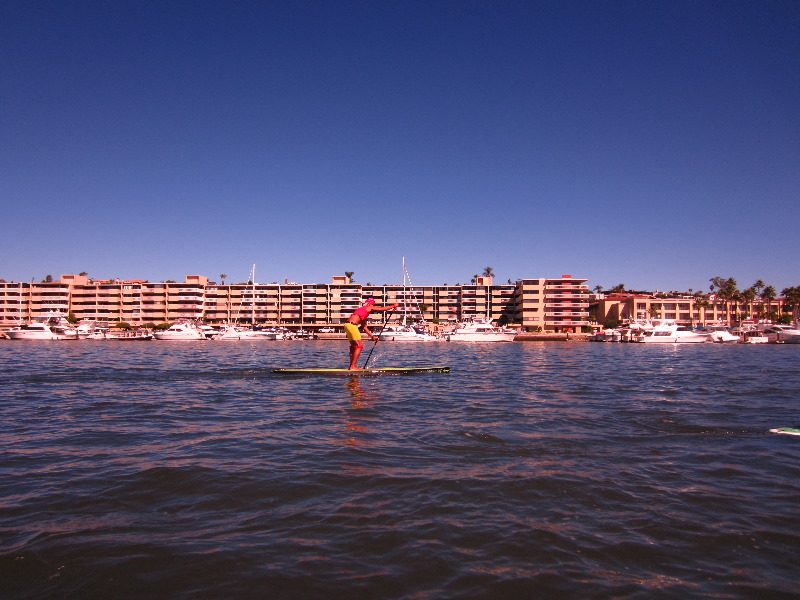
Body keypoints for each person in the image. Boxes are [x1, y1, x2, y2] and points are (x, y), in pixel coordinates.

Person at [344, 298, 398, 369]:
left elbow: (365, 328)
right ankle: (353, 366)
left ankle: (351, 366)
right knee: (359, 346)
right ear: (370, 304)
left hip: (347, 325)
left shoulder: (361, 311)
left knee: (354, 347)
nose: (373, 307)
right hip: (352, 326)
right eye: (373, 305)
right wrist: (393, 306)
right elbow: (382, 309)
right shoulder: (368, 307)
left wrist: (372, 337)